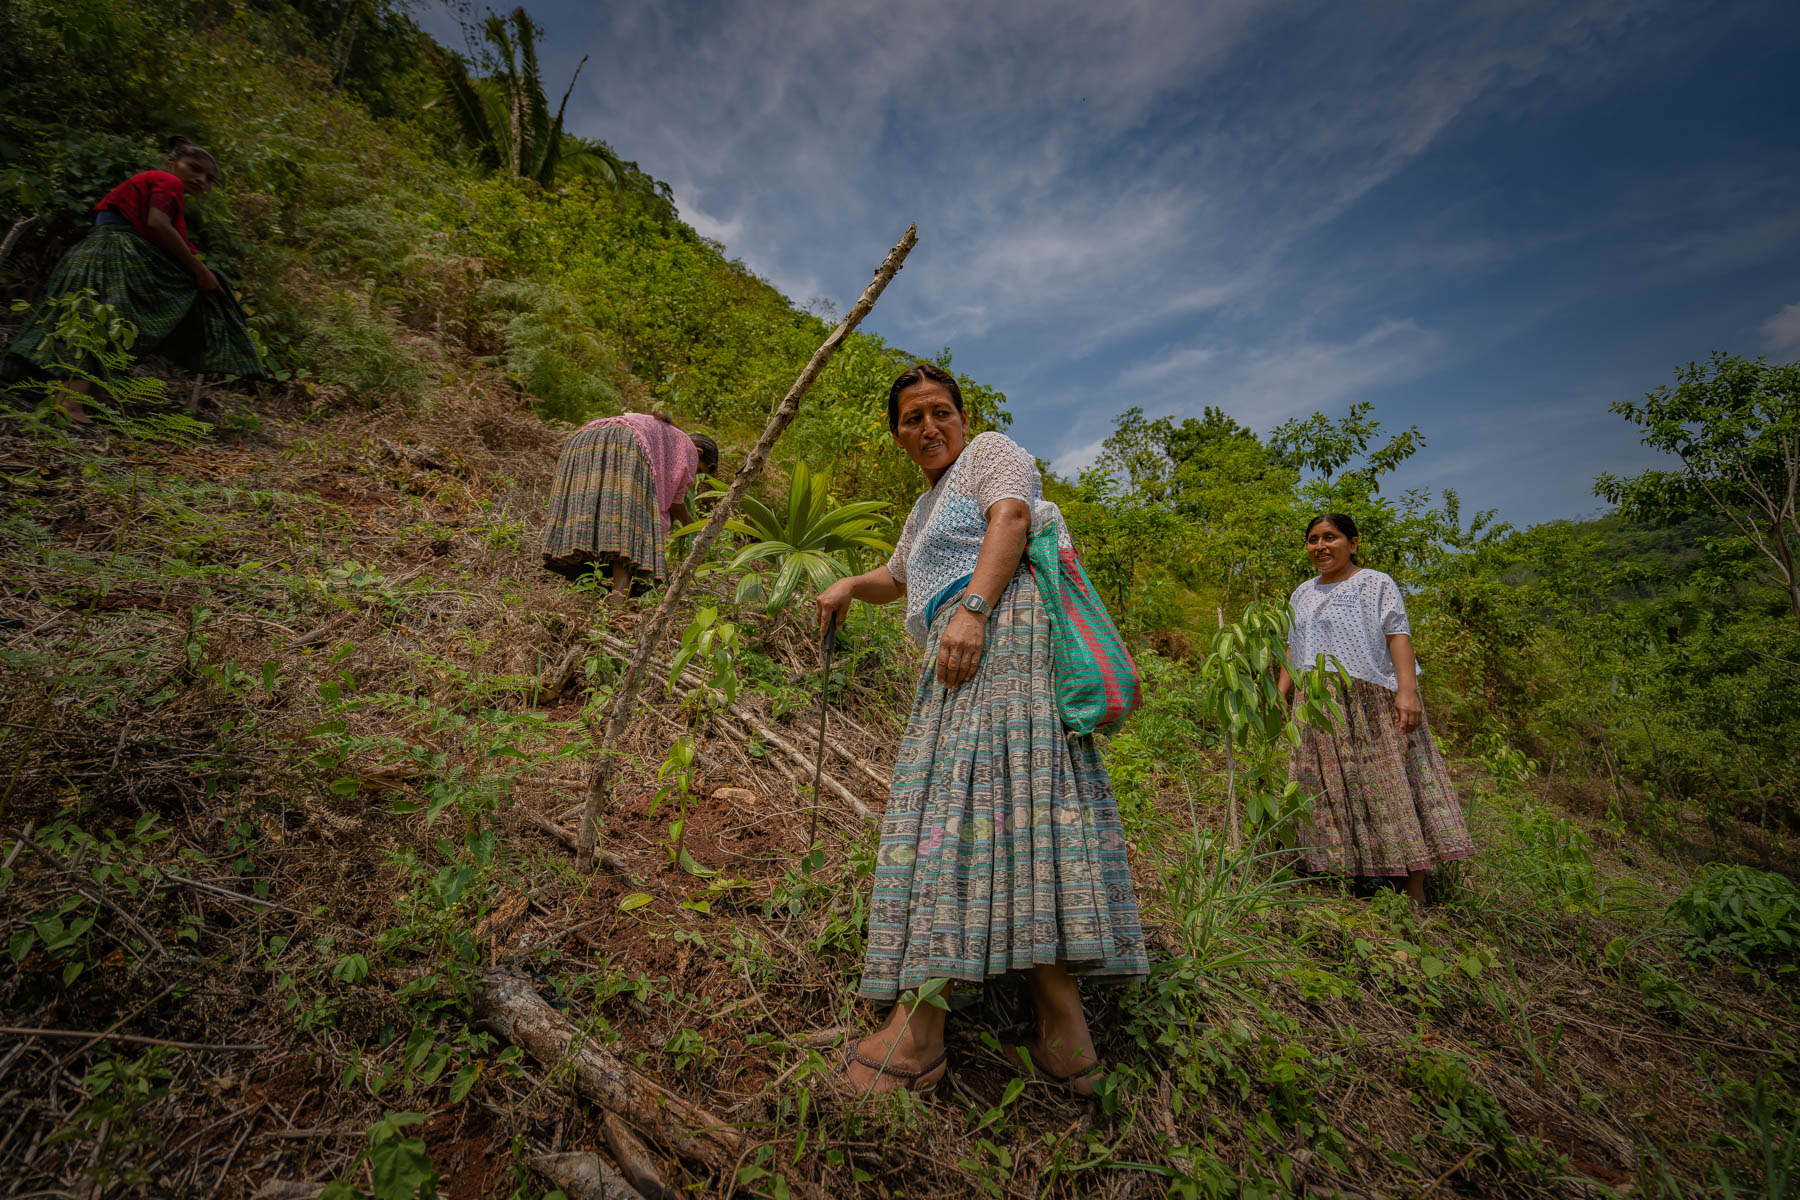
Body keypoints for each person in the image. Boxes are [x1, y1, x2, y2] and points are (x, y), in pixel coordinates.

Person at [814, 363, 1148, 1099]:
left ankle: (921, 1029)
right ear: (897, 435)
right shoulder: (927, 505)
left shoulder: (990, 453)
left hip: (1001, 633)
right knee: (1014, 811)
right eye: (911, 418)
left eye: (940, 412)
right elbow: (899, 578)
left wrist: (973, 608)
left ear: (963, 418)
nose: (928, 427)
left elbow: (1012, 519)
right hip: (969, 644)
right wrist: (847, 586)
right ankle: (1067, 1039)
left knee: (963, 810)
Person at [2, 136, 264, 429]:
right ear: (170, 161)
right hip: (114, 253)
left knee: (100, 323)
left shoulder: (162, 185)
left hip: (99, 250)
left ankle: (88, 403)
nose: (201, 180)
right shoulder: (167, 180)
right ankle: (71, 404)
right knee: (102, 324)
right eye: (194, 168)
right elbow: (156, 224)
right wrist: (200, 271)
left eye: (209, 178)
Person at [1276, 513, 1472, 904]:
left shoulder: (1375, 582)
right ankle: (1353, 878)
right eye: (1313, 539)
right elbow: (1294, 647)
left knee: (1394, 785)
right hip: (1317, 703)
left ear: (1353, 542)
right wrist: (1279, 695)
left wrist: (1407, 692)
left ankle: (1413, 890)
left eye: (1329, 537)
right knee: (1332, 790)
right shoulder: (1302, 593)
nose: (1320, 546)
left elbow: (1398, 634)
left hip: (1370, 698)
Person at [541, 411, 719, 598]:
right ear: (699, 453)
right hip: (623, 440)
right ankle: (617, 604)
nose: (693, 476)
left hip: (583, 439)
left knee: (592, 516)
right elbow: (674, 499)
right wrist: (692, 524)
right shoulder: (688, 449)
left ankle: (583, 596)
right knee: (629, 528)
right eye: (698, 470)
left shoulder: (666, 436)